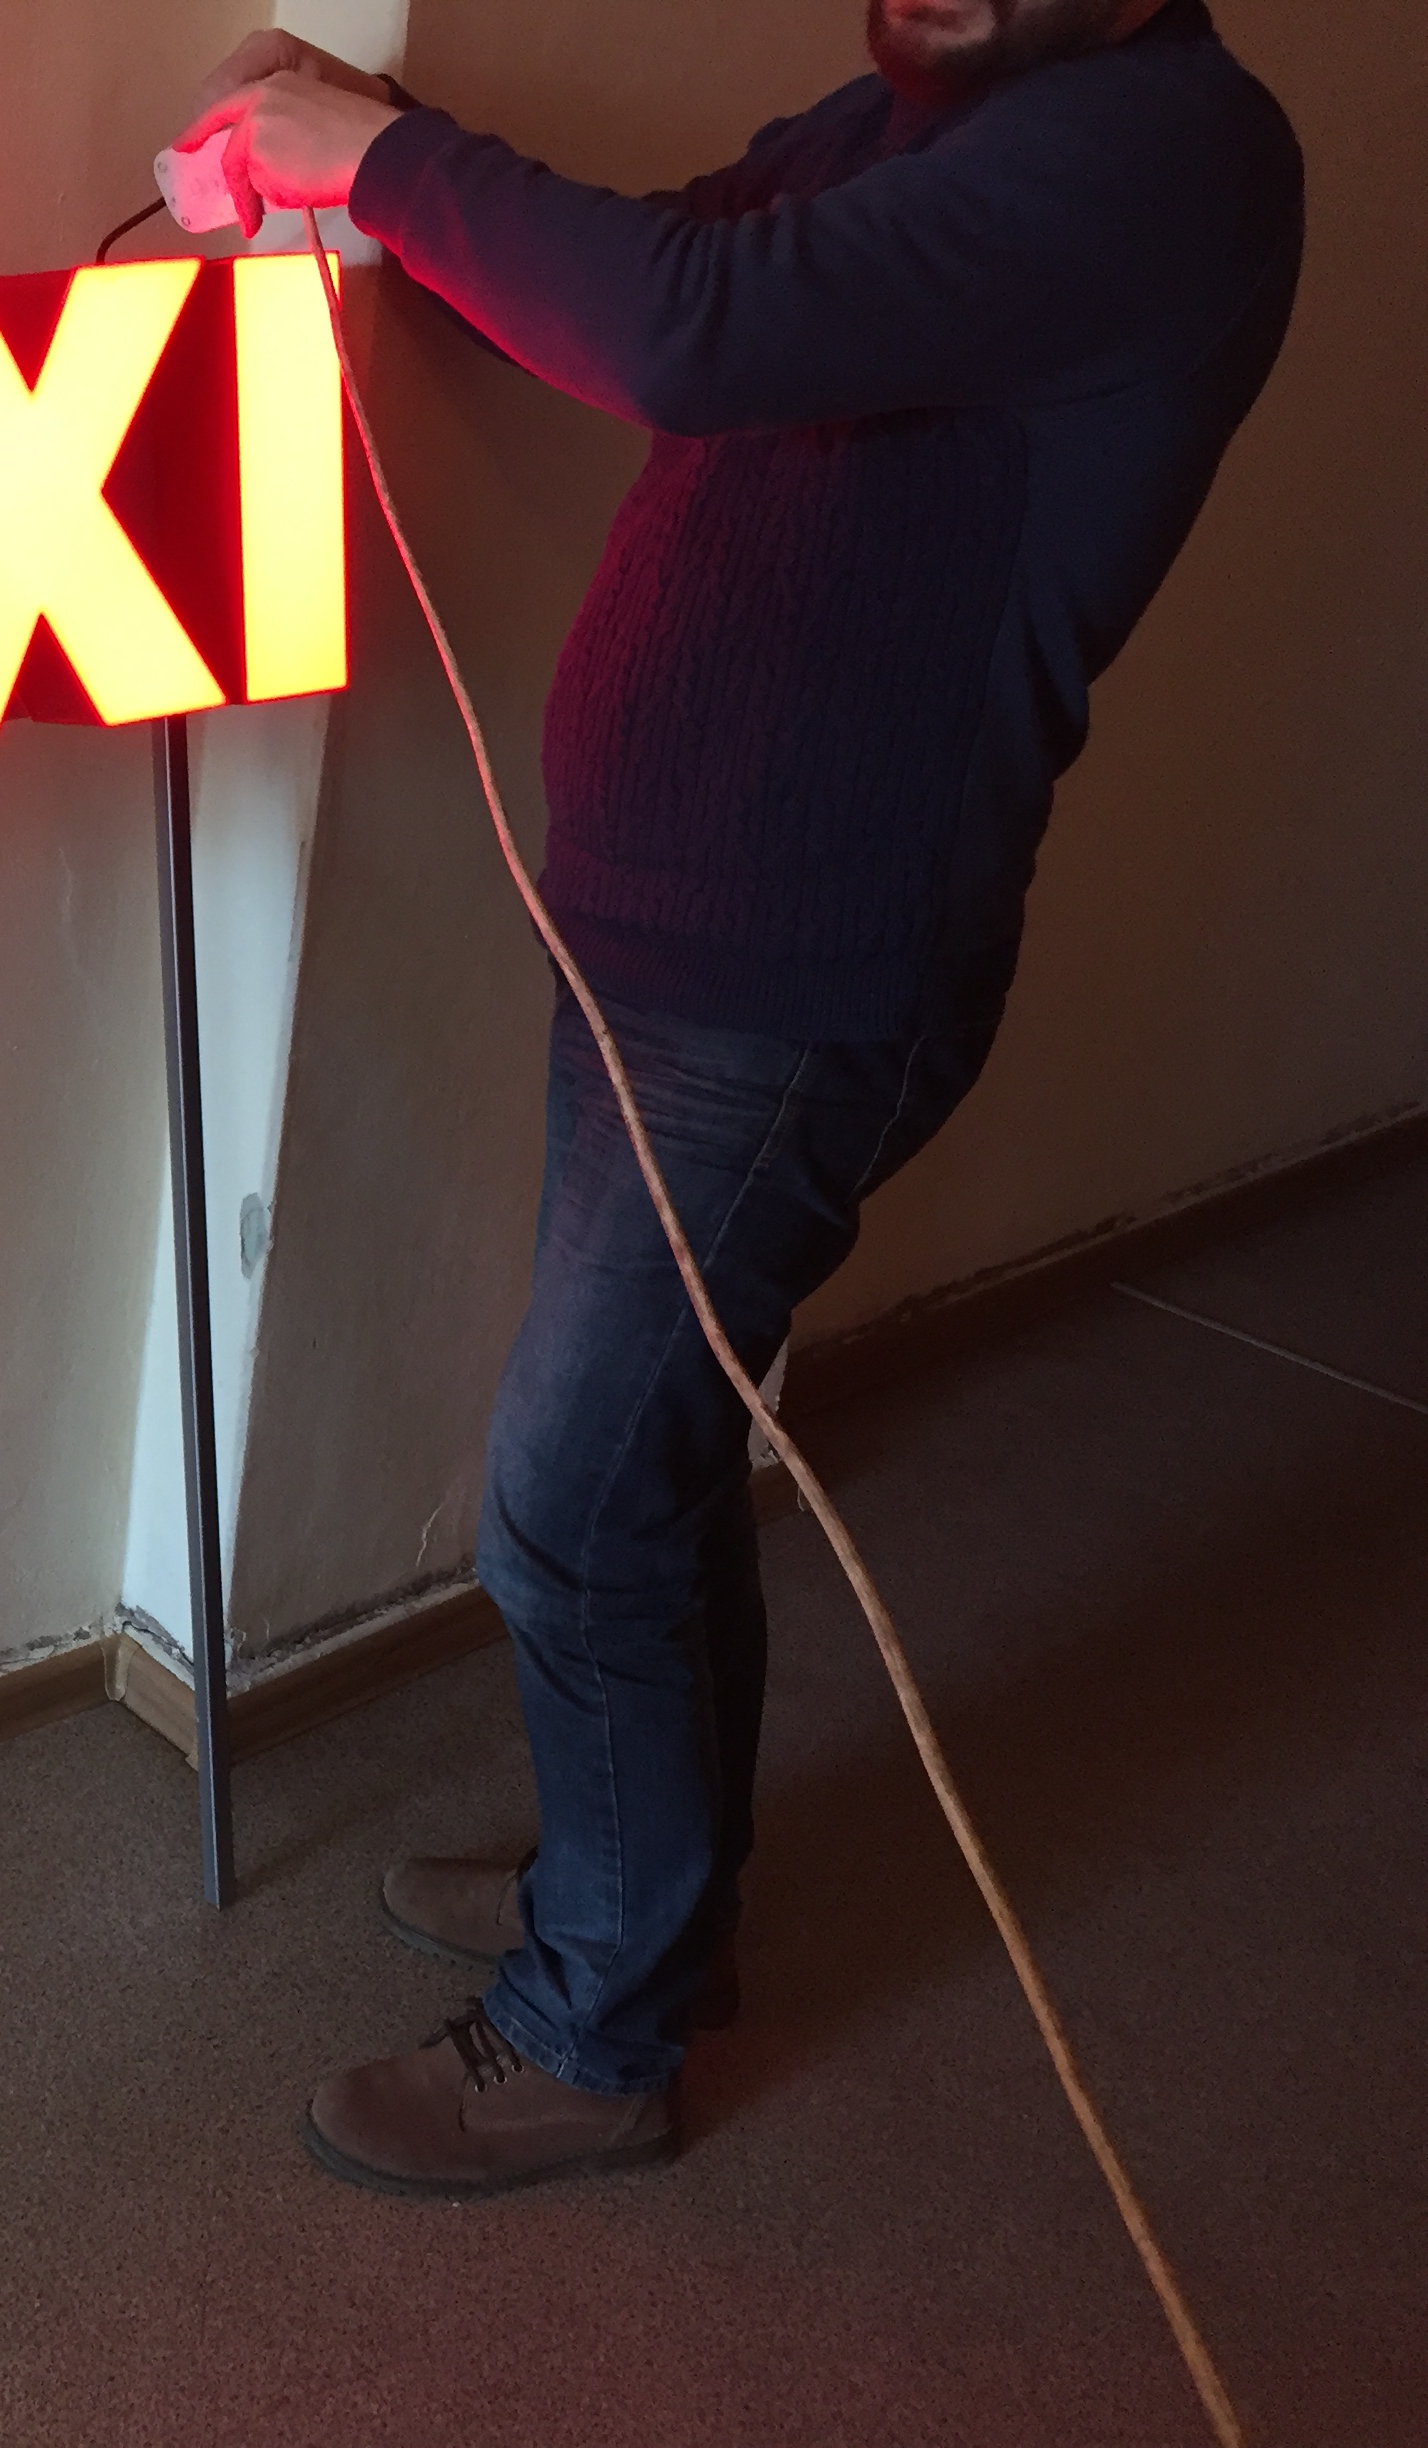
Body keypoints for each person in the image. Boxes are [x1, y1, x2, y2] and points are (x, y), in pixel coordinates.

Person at [168, 0, 1303, 2198]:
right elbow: (657, 265)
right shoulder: (918, 115)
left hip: (795, 976)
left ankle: (597, 2031)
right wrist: (380, 138)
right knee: (655, 1466)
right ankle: (653, 1903)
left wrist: (372, 160)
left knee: (573, 1501)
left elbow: (692, 331)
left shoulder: (1166, 152)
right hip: (667, 931)